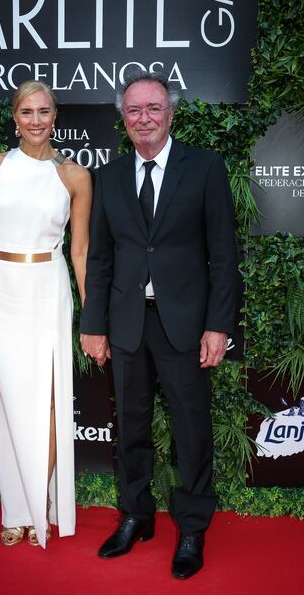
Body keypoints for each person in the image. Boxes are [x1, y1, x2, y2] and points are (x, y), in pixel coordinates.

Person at [80, 70, 237, 579]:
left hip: (186, 326)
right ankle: (136, 516)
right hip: (126, 324)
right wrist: (93, 323)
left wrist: (218, 325)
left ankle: (192, 526)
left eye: (153, 108)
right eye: (133, 110)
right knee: (130, 428)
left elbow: (223, 256)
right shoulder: (108, 176)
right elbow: (100, 259)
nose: (143, 118)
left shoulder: (206, 169)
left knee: (191, 430)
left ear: (170, 113)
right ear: (122, 119)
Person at [0, 80, 92, 548]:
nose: (36, 120)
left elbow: (80, 252)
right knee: (7, 403)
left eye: (44, 111)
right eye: (27, 112)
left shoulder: (74, 176)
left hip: (47, 289)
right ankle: (17, 512)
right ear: (14, 118)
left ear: (56, 116)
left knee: (48, 403)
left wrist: (92, 316)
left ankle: (41, 508)